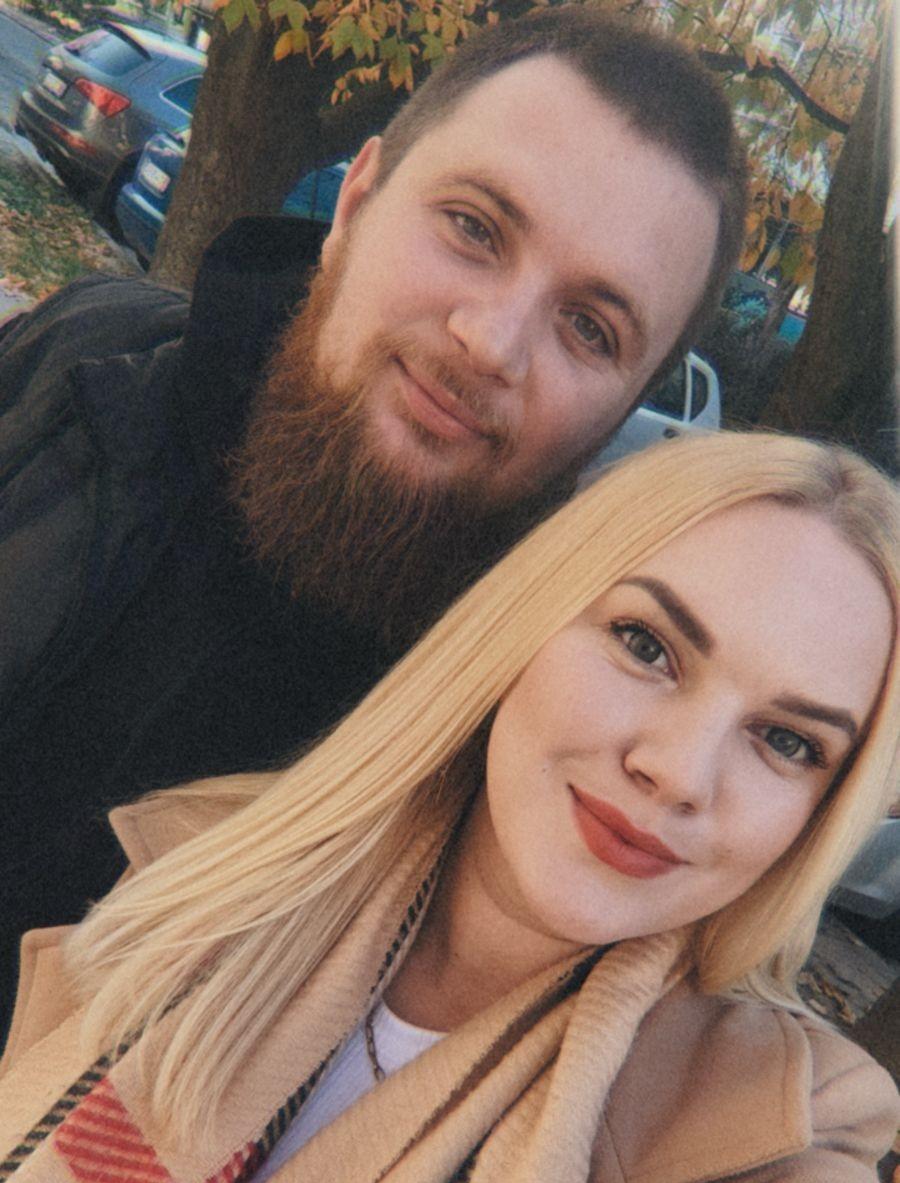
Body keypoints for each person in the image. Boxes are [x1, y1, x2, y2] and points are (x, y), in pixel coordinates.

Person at [1, 430, 898, 1183]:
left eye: (787, 742)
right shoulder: (191, 879)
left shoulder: (766, 1140)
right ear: (531, 615)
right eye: (646, 644)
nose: (680, 772)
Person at [0, 5, 748, 1041]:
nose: (492, 342)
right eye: (475, 228)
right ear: (355, 202)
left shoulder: (529, 757)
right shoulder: (89, 352)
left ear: (624, 410)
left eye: (589, 327)